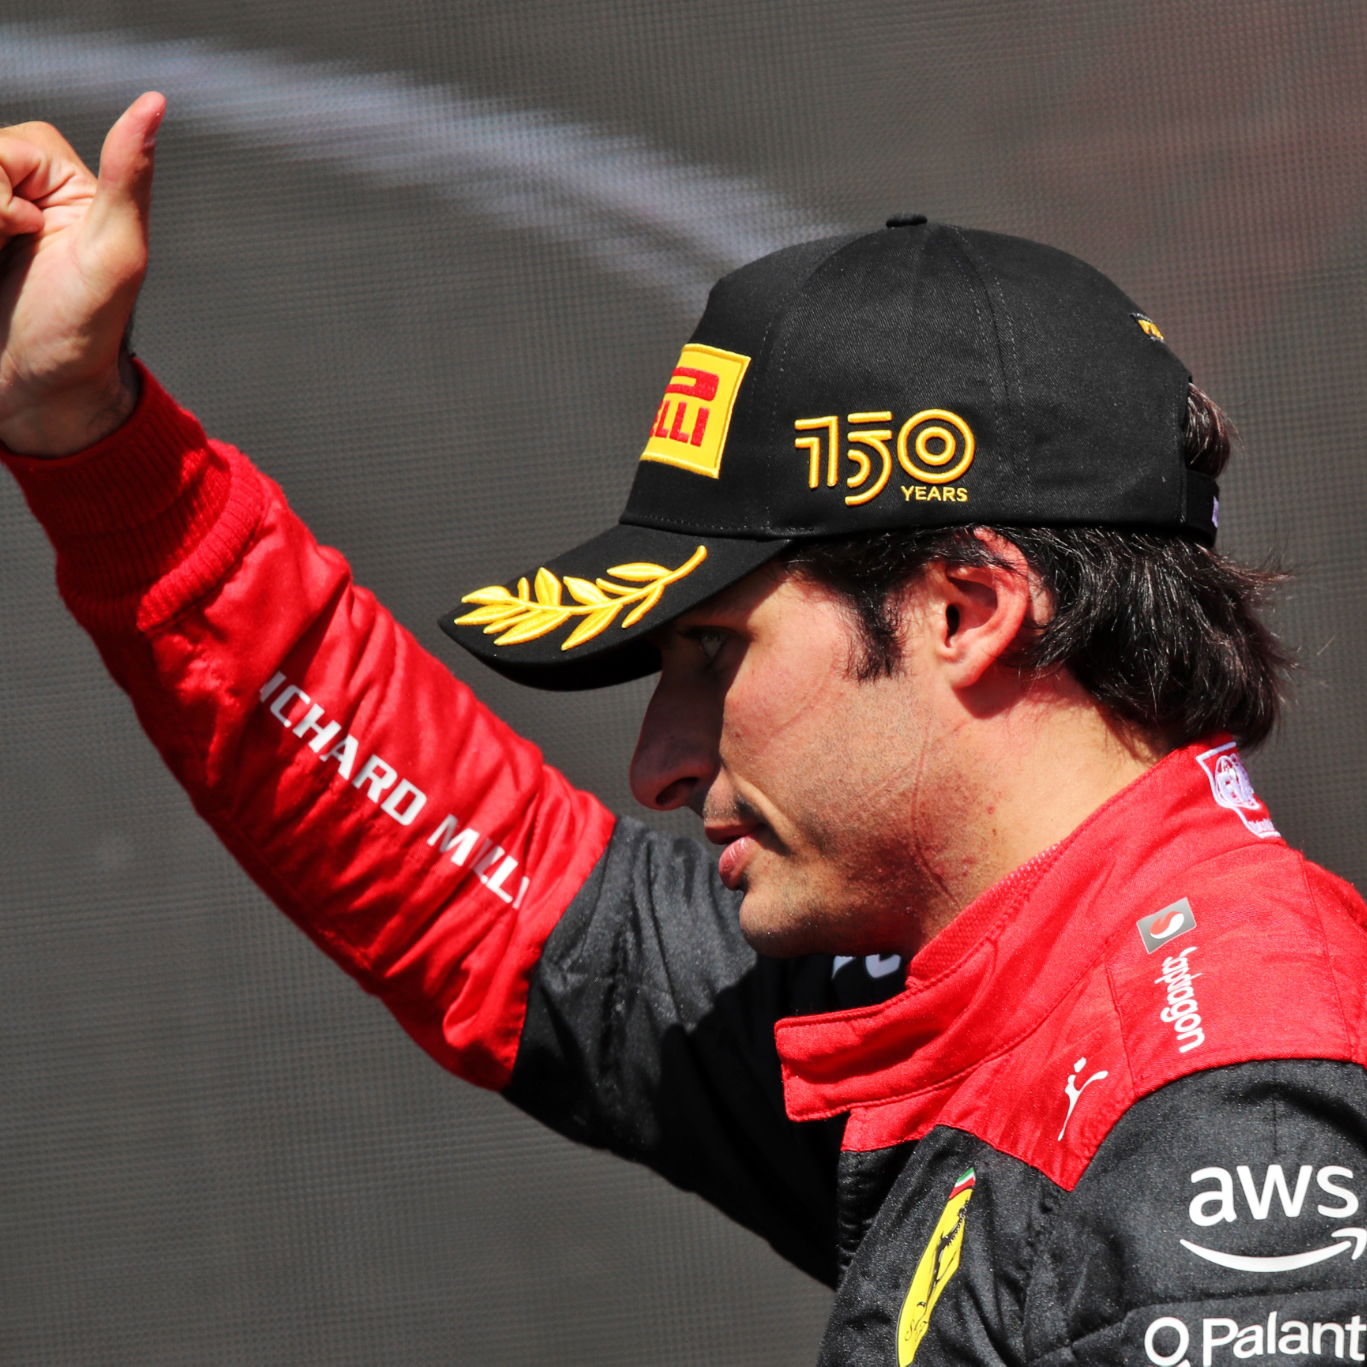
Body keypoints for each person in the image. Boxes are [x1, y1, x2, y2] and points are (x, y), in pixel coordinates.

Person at [4, 93, 1367, 1367]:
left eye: (715, 654)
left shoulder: (1223, 1114)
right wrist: (90, 437)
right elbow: (503, 898)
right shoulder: (988, 974)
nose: (662, 762)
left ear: (966, 610)